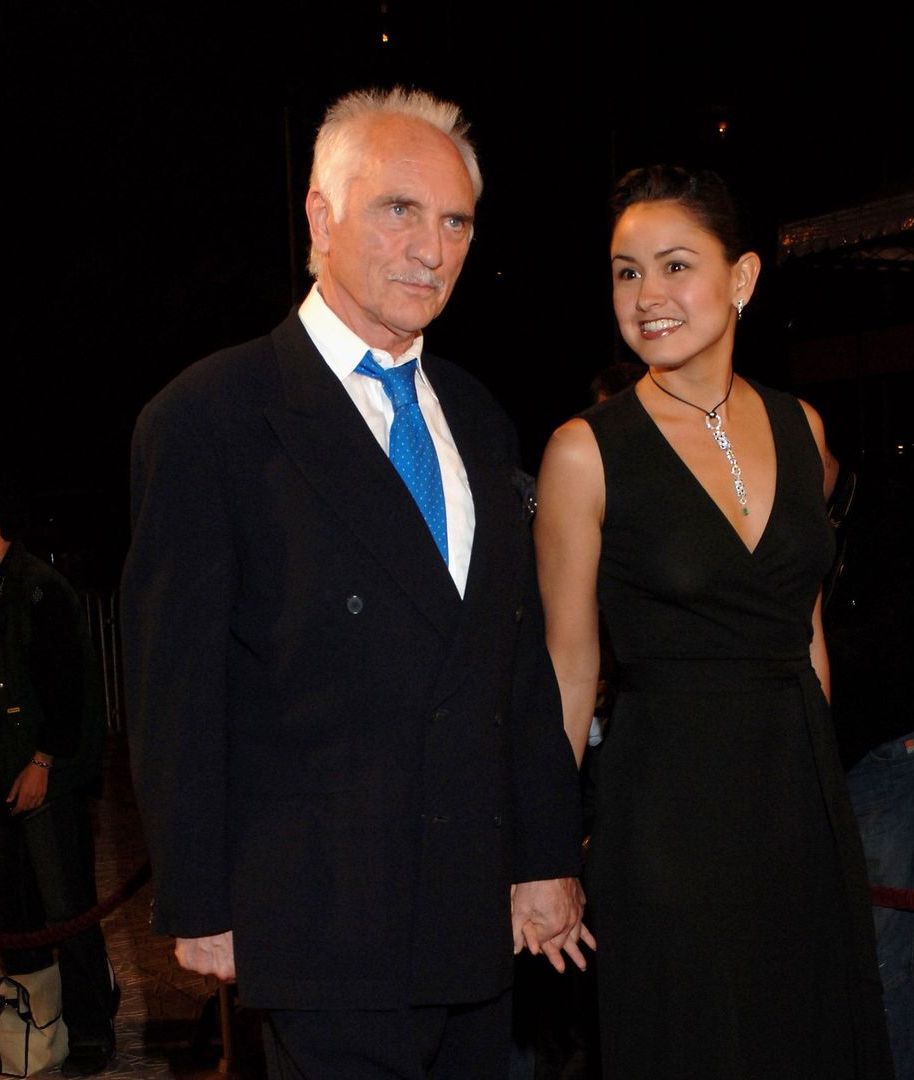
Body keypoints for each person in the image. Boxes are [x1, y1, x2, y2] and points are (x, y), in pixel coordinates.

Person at [121, 86, 588, 1080]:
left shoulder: (479, 413)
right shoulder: (211, 416)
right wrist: (198, 898)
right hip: (319, 914)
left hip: (472, 917)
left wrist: (545, 855)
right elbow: (175, 685)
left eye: (456, 220)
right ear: (321, 218)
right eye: (399, 211)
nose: (433, 247)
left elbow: (514, 664)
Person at [534, 164, 892, 1078]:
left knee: (808, 1038)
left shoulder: (800, 425)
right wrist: (540, 855)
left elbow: (805, 628)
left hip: (799, 794)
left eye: (674, 266)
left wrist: (826, 789)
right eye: (625, 271)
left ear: (742, 279)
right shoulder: (584, 452)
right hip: (666, 814)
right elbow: (569, 668)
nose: (647, 296)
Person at [0, 474, 116, 1077]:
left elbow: (69, 688)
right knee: (14, 919)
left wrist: (44, 762)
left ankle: (92, 1026)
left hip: (47, 779)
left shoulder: (41, 590)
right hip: (1, 780)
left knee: (68, 909)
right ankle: (39, 1026)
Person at [824, 459, 914, 1080]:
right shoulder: (794, 517)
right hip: (828, 756)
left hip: (892, 748)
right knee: (846, 950)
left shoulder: (895, 500)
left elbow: (906, 631)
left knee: (894, 951)